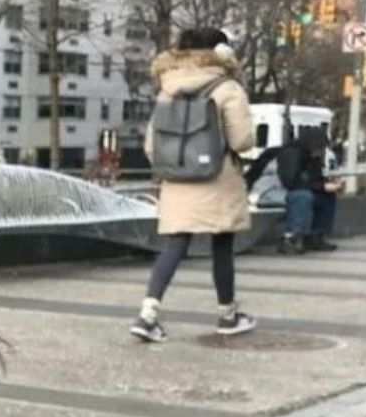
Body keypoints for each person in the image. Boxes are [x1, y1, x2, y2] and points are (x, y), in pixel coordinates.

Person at [131, 28, 256, 343]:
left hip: (177, 178)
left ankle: (147, 315)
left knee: (174, 244)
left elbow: (151, 146)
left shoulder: (168, 89)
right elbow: (242, 141)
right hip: (217, 176)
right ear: (221, 52)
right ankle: (228, 315)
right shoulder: (227, 88)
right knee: (222, 246)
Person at [275, 128, 341, 254]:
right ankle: (291, 238)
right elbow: (291, 182)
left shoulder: (312, 157)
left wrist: (328, 183)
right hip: (281, 192)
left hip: (300, 189)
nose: (321, 152)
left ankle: (316, 235)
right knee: (303, 196)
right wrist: (322, 186)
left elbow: (313, 177)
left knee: (327, 196)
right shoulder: (291, 154)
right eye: (319, 148)